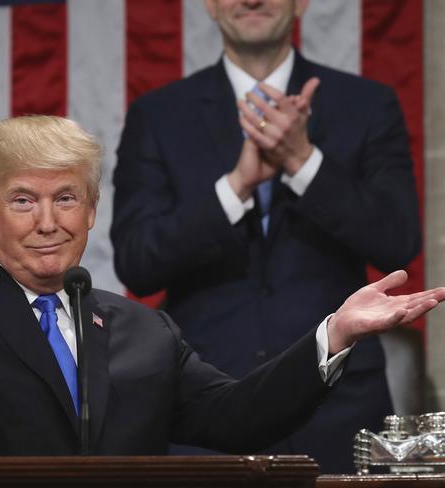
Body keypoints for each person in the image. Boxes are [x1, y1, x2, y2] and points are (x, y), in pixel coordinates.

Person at [0, 115, 442, 461]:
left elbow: (239, 417)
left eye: (66, 197)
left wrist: (334, 333)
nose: (47, 221)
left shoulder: (142, 330)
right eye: (23, 200)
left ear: (92, 210)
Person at [110, 0, 421, 473]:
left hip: (337, 405)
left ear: (302, 3)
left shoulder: (366, 104)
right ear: (211, 7)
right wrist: (236, 187)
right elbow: (136, 262)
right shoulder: (158, 113)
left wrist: (303, 161)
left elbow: (399, 242)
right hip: (204, 407)